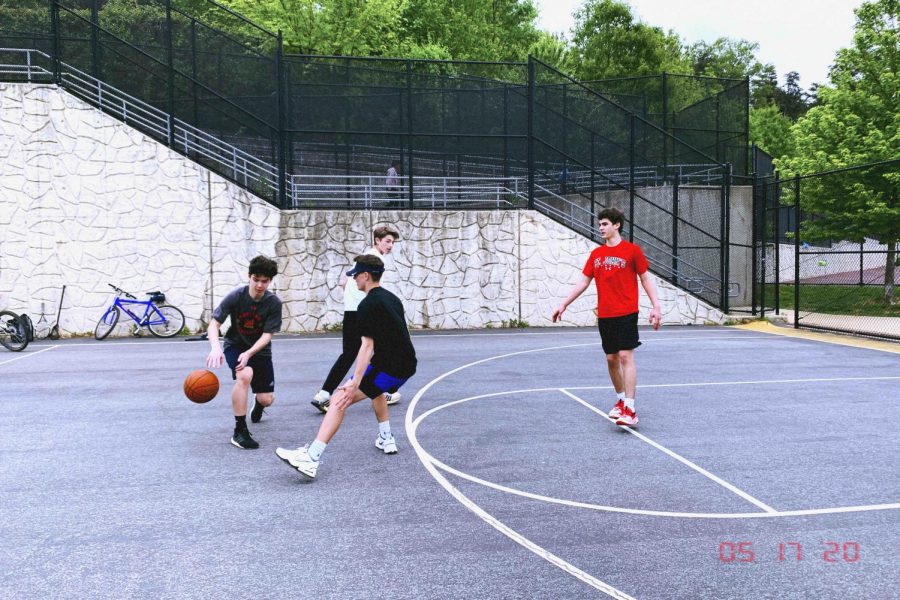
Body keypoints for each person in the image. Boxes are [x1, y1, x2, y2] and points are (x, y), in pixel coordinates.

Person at [276, 254, 417, 480]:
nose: (353, 281)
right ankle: (386, 438)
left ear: (365, 275)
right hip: (403, 364)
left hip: (390, 367)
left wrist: (354, 384)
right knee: (375, 391)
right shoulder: (392, 298)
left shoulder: (367, 305)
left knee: (338, 399)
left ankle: (311, 458)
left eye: (355, 276)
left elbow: (366, 346)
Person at [551, 207, 661, 427]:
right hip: (606, 314)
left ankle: (630, 408)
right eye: (599, 224)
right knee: (611, 359)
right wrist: (564, 304)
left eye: (604, 224)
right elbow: (583, 282)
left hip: (627, 312)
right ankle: (620, 400)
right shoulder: (597, 254)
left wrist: (656, 307)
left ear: (616, 225)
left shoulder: (632, 251)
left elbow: (646, 279)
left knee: (625, 357)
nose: (600, 228)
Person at [311, 226, 402, 414]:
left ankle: (323, 394)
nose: (390, 245)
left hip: (351, 311)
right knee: (386, 350)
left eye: (392, 242)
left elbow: (344, 281)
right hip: (365, 312)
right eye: (387, 241)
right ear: (377, 240)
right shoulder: (376, 260)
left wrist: (350, 298)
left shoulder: (363, 257)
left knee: (349, 354)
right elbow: (374, 288)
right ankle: (388, 390)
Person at [206, 255, 283, 449]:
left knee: (267, 399)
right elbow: (214, 325)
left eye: (264, 281)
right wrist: (216, 348)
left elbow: (267, 335)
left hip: (260, 350)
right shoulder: (236, 296)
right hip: (236, 346)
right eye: (256, 279)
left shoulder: (274, 303)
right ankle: (239, 430)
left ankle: (258, 404)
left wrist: (250, 353)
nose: (259, 285)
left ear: (270, 281)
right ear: (249, 276)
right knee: (245, 375)